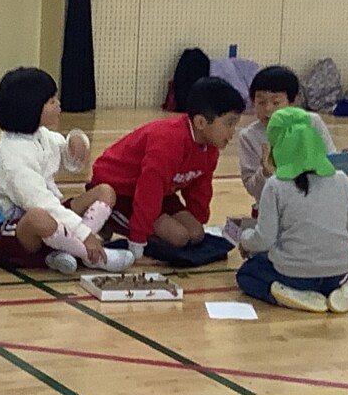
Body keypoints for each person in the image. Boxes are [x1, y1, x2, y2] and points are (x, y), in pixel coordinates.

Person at [0, 67, 133, 274]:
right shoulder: (13, 156)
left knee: (105, 192)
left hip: (51, 213)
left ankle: (65, 250)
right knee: (39, 217)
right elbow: (40, 203)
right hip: (17, 227)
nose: (59, 104)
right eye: (51, 101)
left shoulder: (40, 134)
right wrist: (85, 234)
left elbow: (65, 156)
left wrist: (76, 142)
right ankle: (91, 254)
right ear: (31, 108)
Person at [88, 77, 245, 262]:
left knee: (195, 234)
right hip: (121, 190)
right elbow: (148, 191)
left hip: (160, 192)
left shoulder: (210, 148)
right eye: (229, 124)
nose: (233, 132)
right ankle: (108, 218)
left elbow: (199, 190)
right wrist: (137, 244)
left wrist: (197, 221)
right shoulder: (168, 143)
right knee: (178, 237)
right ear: (201, 122)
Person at [238, 65, 348, 258]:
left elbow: (330, 168)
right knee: (269, 251)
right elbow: (253, 189)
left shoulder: (312, 122)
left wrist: (346, 158)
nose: (268, 109)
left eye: (276, 102)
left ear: (293, 102)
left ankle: (342, 241)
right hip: (275, 209)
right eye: (260, 102)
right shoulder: (249, 136)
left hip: (315, 203)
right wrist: (265, 173)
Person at [236, 106, 348, 313]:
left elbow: (264, 240)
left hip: (294, 275)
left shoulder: (275, 185)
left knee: (247, 274)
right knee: (335, 272)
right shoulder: (342, 179)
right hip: (337, 272)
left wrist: (244, 238)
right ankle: (340, 288)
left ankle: (293, 294)